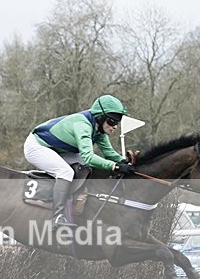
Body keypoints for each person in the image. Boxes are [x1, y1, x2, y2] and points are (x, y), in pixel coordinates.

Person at [24, 94, 135, 228]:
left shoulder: (99, 129)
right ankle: (57, 217)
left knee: (86, 166)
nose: (115, 126)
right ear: (100, 117)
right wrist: (116, 167)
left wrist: (124, 162)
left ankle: (78, 202)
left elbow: (109, 153)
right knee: (66, 173)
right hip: (36, 146)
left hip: (57, 149)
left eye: (117, 122)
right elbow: (89, 156)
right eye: (112, 122)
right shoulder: (83, 125)